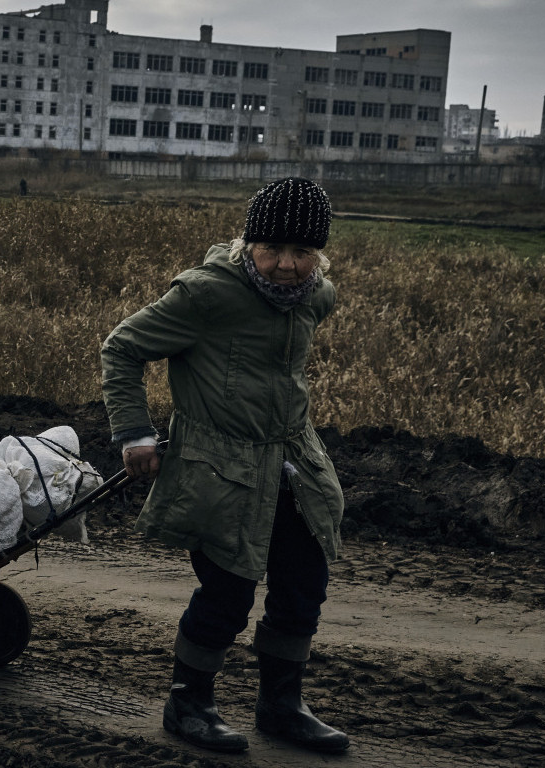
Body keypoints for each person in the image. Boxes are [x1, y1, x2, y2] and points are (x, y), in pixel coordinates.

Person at [100, 177, 350, 754]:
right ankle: (188, 704)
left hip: (294, 463)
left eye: (303, 252)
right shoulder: (206, 294)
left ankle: (282, 706)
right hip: (220, 470)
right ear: (248, 242)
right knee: (227, 593)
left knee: (303, 585)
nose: (288, 265)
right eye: (274, 250)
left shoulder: (318, 295)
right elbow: (122, 347)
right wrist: (135, 433)